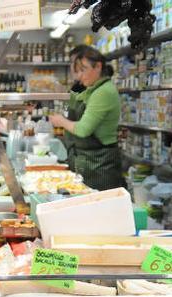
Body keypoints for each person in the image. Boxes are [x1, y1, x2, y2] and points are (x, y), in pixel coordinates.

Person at [49, 45, 123, 191]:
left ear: (98, 66)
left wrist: (61, 121)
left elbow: (83, 130)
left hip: (100, 167)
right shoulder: (92, 89)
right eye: (77, 70)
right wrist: (59, 93)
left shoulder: (103, 92)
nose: (79, 76)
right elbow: (74, 100)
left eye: (83, 70)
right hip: (88, 164)